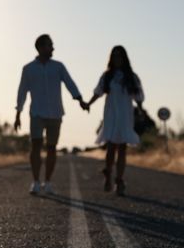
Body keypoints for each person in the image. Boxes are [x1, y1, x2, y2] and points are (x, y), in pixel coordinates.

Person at [14, 34, 89, 194]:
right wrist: (18, 114)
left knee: (52, 148)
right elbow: (22, 91)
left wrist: (80, 100)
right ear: (41, 47)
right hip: (36, 113)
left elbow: (70, 83)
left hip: (55, 113)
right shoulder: (28, 69)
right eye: (50, 45)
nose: (52, 48)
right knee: (36, 146)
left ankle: (47, 182)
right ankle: (35, 182)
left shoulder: (58, 66)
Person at [86, 45, 144, 196]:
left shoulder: (132, 77)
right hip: (111, 114)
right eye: (115, 55)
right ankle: (108, 173)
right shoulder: (107, 76)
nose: (117, 58)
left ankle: (119, 180)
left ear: (124, 58)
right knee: (111, 145)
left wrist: (140, 109)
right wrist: (88, 104)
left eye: (120, 55)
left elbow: (138, 96)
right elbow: (98, 92)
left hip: (125, 114)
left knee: (123, 146)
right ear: (111, 58)